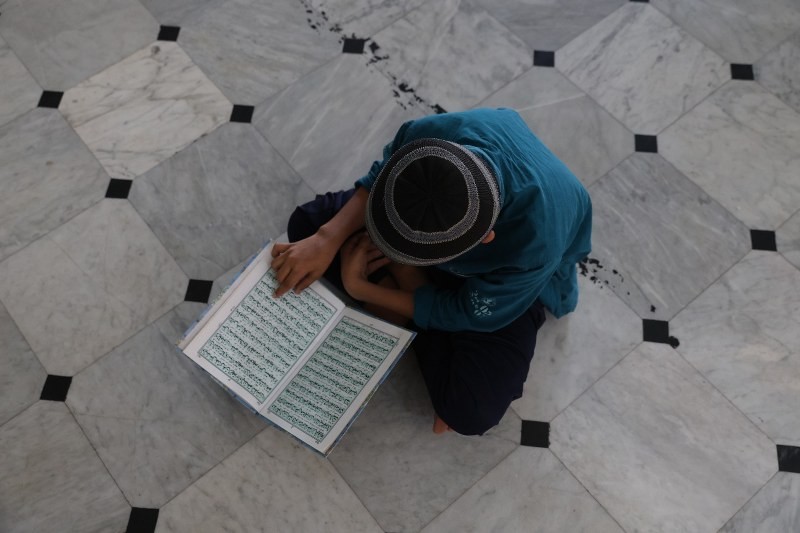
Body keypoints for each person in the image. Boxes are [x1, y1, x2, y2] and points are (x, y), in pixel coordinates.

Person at [270, 108, 592, 435]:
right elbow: (377, 179)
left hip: (506, 289)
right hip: (419, 228)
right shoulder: (432, 133)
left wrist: (363, 289)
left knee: (470, 412)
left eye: (407, 256)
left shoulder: (536, 241)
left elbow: (472, 312)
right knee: (306, 228)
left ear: (485, 239)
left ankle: (408, 287)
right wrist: (326, 239)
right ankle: (415, 298)